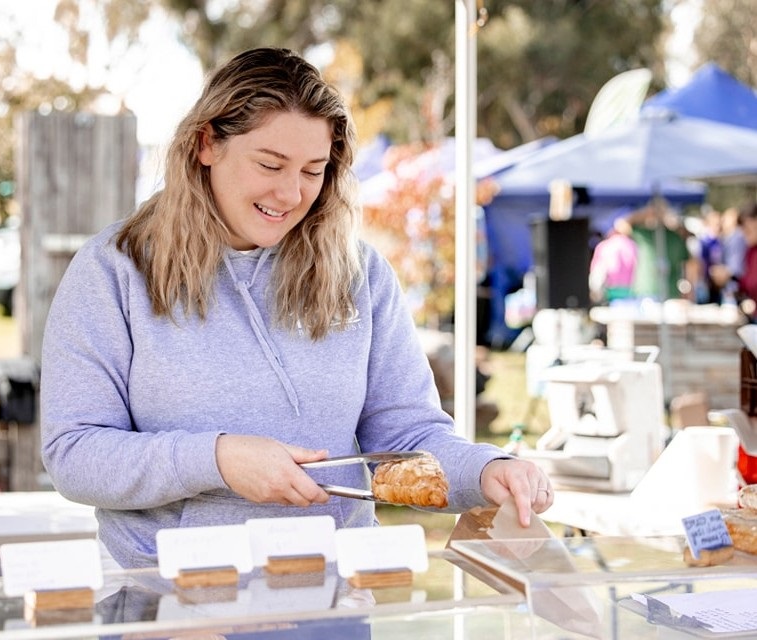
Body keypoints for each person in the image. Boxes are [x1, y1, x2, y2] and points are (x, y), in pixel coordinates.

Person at [39, 47, 553, 570]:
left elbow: (406, 439)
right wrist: (217, 459)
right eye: (270, 164)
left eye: (313, 170)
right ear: (206, 143)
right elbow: (75, 453)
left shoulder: (360, 274)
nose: (290, 193)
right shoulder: (114, 270)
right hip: (170, 601)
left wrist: (487, 469)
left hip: (331, 597)